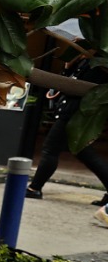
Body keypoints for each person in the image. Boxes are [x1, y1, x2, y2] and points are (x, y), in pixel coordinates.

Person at [27, 53, 108, 209]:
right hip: (71, 111)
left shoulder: (100, 64)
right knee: (83, 152)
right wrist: (68, 67)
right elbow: (66, 82)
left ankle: (34, 188)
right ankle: (35, 188)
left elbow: (80, 88)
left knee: (50, 149)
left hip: (76, 114)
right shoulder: (85, 60)